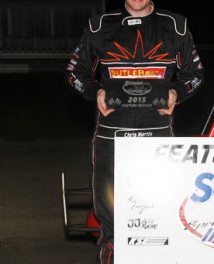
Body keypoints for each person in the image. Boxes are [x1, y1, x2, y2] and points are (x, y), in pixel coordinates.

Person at [64, 0, 204, 263]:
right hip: (111, 138)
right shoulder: (99, 26)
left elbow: (195, 74)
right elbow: (74, 72)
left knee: (159, 221)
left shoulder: (176, 25)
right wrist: (96, 92)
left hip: (158, 137)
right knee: (113, 229)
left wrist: (177, 92)